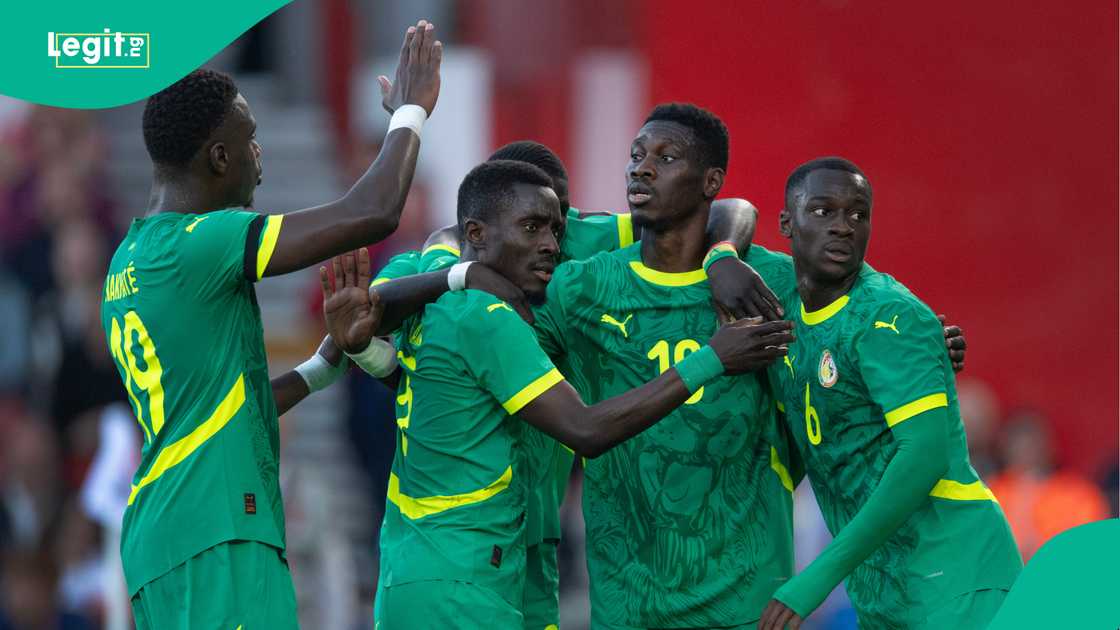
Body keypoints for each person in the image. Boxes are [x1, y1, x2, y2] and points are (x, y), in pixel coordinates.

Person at [322, 160, 795, 628]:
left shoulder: (447, 289)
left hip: (450, 561)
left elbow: (384, 351)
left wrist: (721, 255)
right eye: (533, 225)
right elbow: (585, 428)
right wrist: (712, 359)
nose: (553, 245)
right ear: (479, 229)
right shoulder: (481, 311)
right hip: (466, 569)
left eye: (557, 225)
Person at [99, 20, 442, 629]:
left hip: (162, 536)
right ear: (219, 156)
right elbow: (372, 210)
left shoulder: (127, 260)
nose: (261, 153)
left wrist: (320, 365)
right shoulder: (200, 242)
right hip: (218, 531)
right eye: (251, 138)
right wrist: (411, 111)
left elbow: (216, 407)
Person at [758, 157, 1022, 630]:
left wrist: (813, 580)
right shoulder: (783, 292)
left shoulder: (890, 316)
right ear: (786, 223)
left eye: (858, 215)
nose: (843, 227)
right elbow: (718, 223)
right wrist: (719, 262)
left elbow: (924, 455)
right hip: (885, 589)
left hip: (955, 574)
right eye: (823, 211)